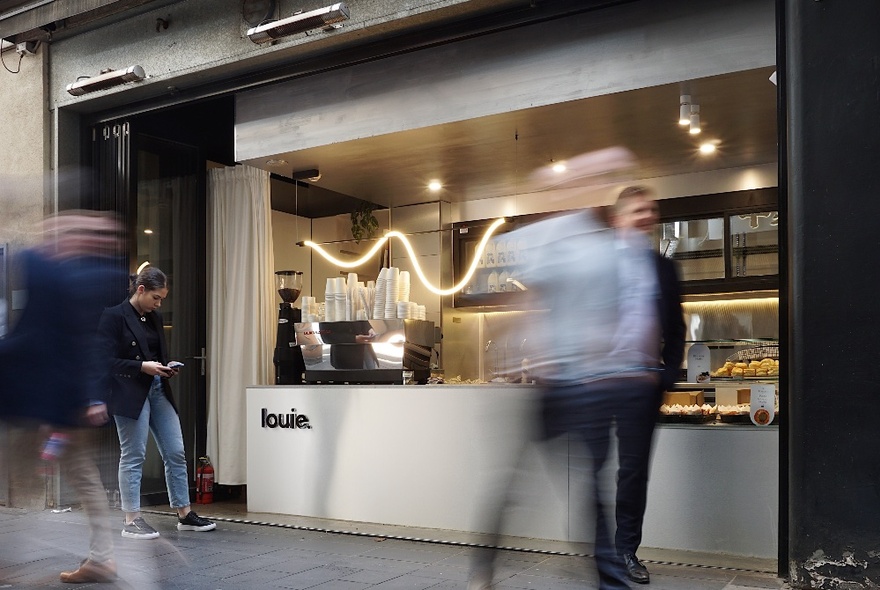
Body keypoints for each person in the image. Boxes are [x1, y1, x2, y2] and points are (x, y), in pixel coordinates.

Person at [469, 206, 663, 590]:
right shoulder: (567, 244)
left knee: (584, 487)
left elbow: (617, 322)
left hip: (582, 385)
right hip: (556, 384)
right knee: (532, 484)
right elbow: (531, 302)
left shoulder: (604, 255)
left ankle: (608, 581)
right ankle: (484, 564)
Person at [0, 211, 128, 583]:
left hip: (58, 402)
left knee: (31, 470)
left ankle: (102, 559)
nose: (54, 234)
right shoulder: (65, 274)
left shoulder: (85, 278)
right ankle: (102, 558)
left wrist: (90, 398)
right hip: (45, 397)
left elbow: (87, 343)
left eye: (64, 230)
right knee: (76, 475)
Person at [97, 266, 216, 539]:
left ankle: (184, 514)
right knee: (134, 455)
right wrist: (142, 367)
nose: (159, 303)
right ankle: (131, 519)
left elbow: (155, 355)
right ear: (141, 290)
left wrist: (165, 367)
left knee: (175, 451)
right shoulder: (114, 316)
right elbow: (103, 361)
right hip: (129, 392)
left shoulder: (154, 317)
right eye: (156, 297)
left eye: (162, 298)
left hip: (158, 389)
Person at [610, 186, 685, 584]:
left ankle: (625, 551)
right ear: (619, 217)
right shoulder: (598, 264)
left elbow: (677, 328)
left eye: (651, 210)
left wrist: (665, 377)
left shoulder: (664, 268)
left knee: (633, 471)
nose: (646, 215)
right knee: (589, 464)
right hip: (597, 380)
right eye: (638, 209)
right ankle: (600, 549)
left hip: (641, 383)